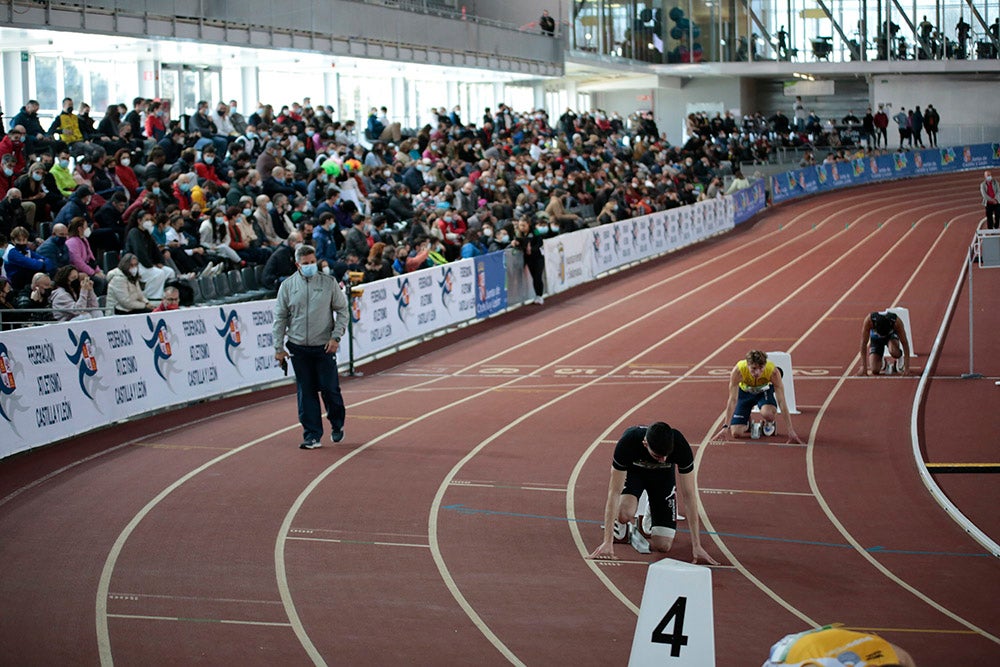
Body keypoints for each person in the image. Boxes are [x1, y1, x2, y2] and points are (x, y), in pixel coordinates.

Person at [587, 422, 718, 564]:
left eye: (666, 455)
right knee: (624, 514)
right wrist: (607, 541)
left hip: (662, 479)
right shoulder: (628, 442)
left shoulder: (680, 445)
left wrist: (696, 545)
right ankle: (621, 523)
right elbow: (614, 492)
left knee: (663, 546)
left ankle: (652, 507)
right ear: (645, 444)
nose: (664, 460)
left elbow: (689, 495)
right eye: (658, 456)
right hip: (634, 474)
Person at [273, 244, 350, 449]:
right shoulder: (288, 286)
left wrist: (336, 337)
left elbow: (343, 311)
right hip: (298, 347)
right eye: (305, 264)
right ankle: (312, 435)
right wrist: (278, 348)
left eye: (313, 262)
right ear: (298, 264)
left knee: (329, 390)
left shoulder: (329, 283)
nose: (310, 266)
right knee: (305, 392)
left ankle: (337, 423)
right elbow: (279, 318)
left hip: (324, 347)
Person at [715, 350, 802, 442]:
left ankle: (770, 422)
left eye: (761, 368)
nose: (757, 372)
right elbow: (732, 400)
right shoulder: (738, 371)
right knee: (736, 433)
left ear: (765, 364)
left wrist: (790, 430)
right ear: (747, 365)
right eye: (754, 368)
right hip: (745, 394)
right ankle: (746, 421)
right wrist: (725, 427)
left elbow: (782, 401)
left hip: (764, 392)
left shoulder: (773, 372)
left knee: (767, 413)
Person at [762, 624, 916, 667]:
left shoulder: (895, 655)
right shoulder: (822, 662)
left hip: (812, 644)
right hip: (802, 649)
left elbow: (906, 659)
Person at [861, 310, 911, 375]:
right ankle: (884, 363)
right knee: (874, 370)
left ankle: (899, 356)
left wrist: (907, 367)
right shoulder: (869, 321)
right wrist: (864, 367)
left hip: (890, 337)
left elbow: (905, 343)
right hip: (876, 339)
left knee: (893, 351)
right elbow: (863, 343)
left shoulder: (896, 322)